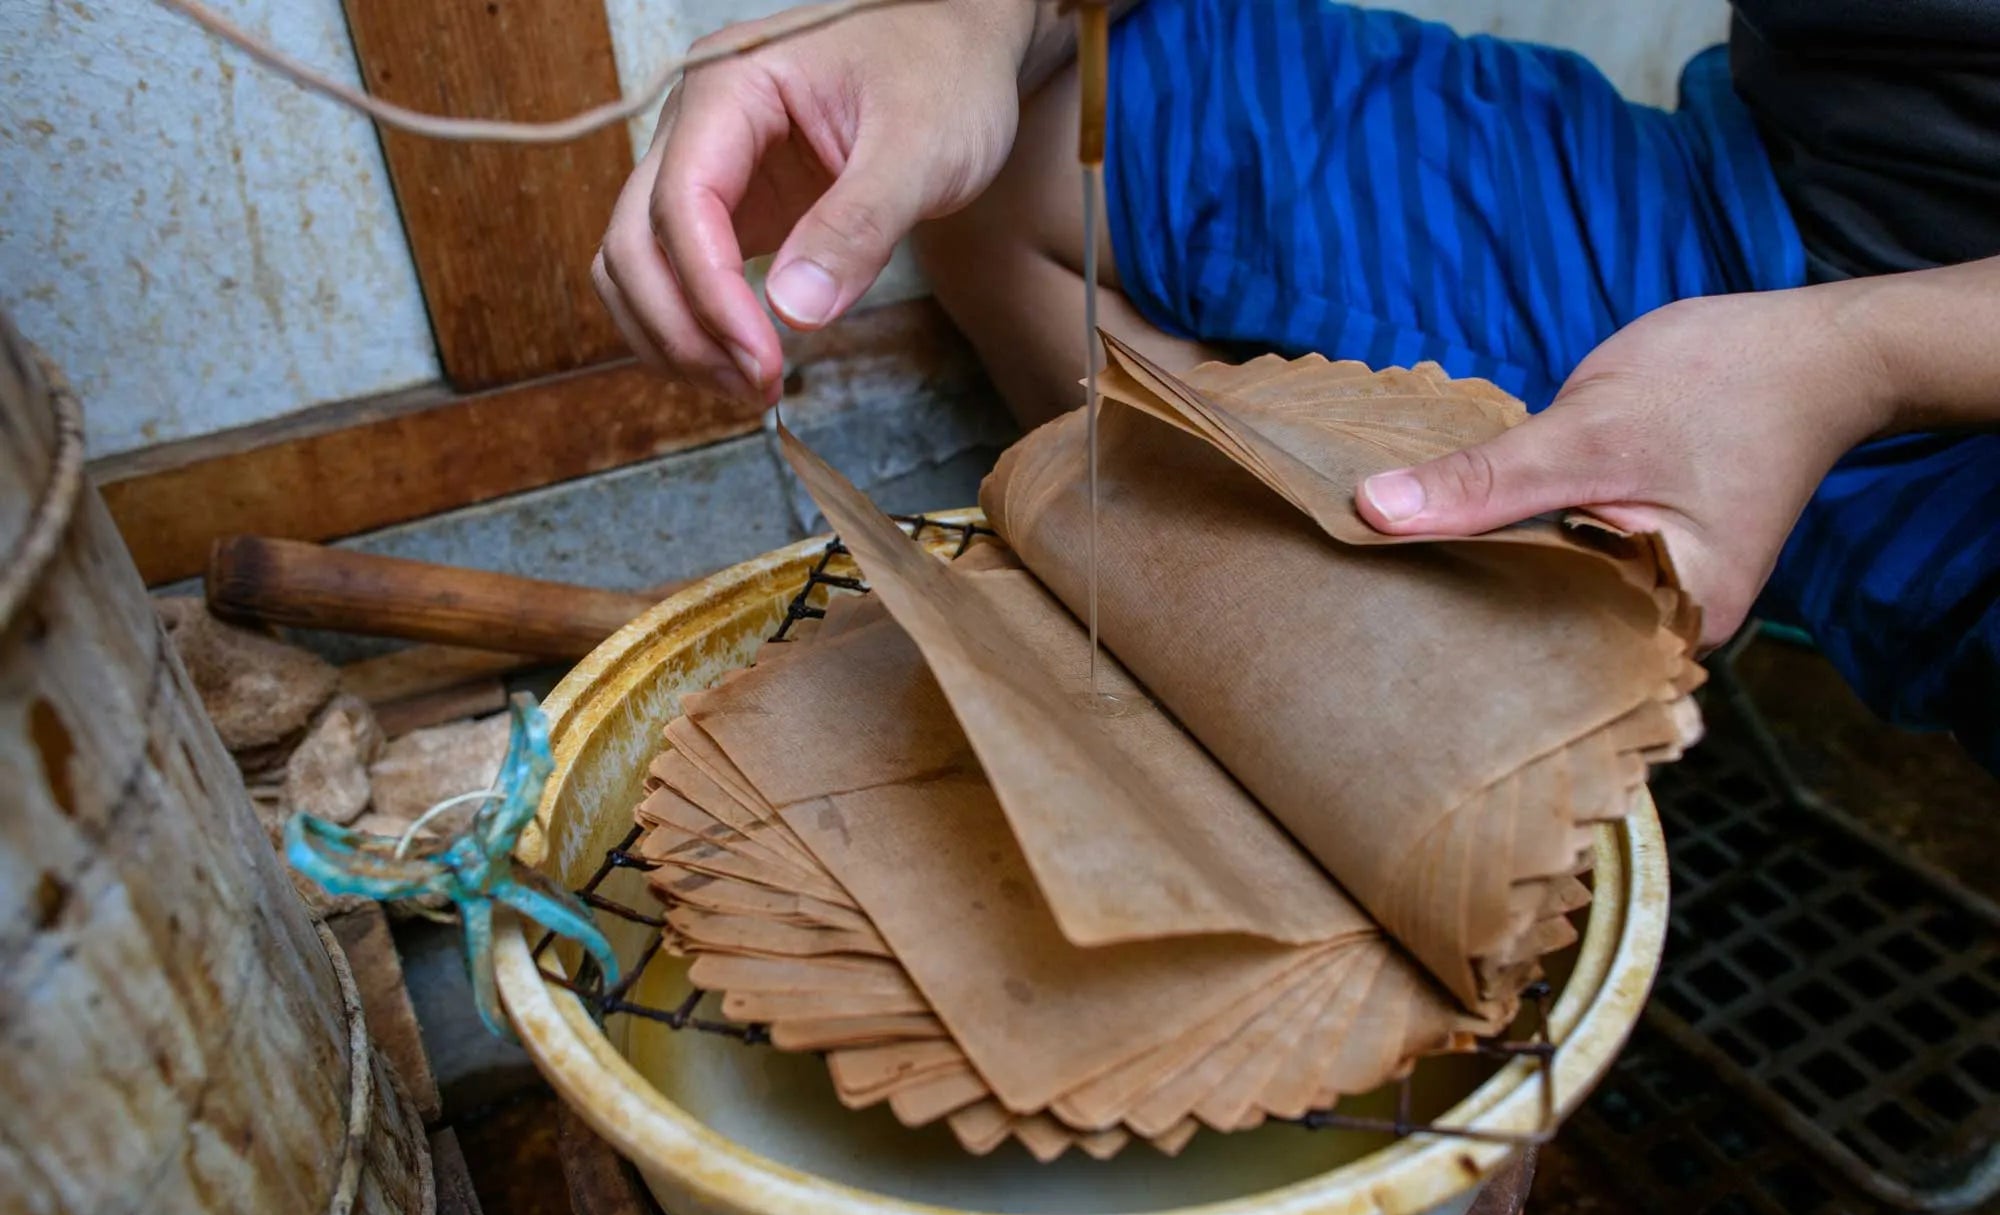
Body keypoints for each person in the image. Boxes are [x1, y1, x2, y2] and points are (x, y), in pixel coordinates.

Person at [593, 0, 2000, 771]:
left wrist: (1855, 357)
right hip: (1745, 204)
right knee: (1040, 129)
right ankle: (1279, 679)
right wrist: (974, 17)